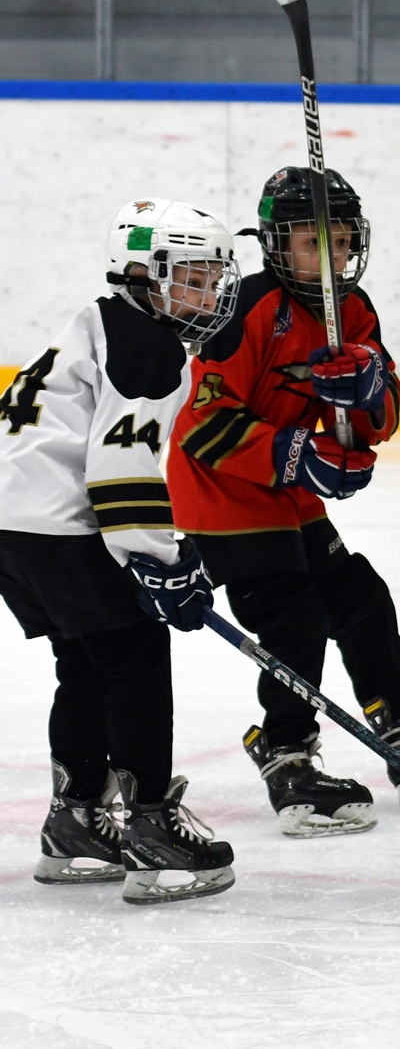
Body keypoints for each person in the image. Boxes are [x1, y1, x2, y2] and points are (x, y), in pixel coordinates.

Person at [166, 166, 400, 838]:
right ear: (277, 245)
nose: (332, 256)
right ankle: (287, 757)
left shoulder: (354, 309)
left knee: (363, 598)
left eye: (340, 241)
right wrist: (298, 455)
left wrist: (366, 395)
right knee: (295, 621)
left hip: (285, 497)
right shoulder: (247, 308)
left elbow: (385, 414)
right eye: (315, 242)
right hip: (218, 493)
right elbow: (200, 424)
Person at [0, 198, 237, 904]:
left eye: (213, 277)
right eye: (191, 276)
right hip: (55, 521)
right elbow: (119, 470)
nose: (209, 292)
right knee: (134, 652)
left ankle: (76, 823)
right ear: (141, 272)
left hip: (15, 525)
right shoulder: (148, 342)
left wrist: (157, 552)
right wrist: (162, 559)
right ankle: (153, 826)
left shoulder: (99, 323)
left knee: (87, 657)